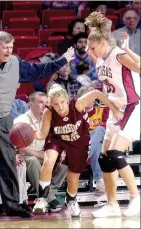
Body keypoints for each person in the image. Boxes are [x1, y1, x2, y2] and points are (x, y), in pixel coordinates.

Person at [0, 15, 74, 220]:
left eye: (11, 47)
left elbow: (39, 71)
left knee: (8, 162)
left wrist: (63, 60)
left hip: (3, 118)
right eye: (5, 47)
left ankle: (12, 204)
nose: (10, 51)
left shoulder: (16, 64)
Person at [32, 83, 123, 217]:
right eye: (55, 104)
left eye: (62, 102)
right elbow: (42, 135)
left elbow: (97, 94)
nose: (60, 107)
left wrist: (114, 109)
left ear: (67, 99)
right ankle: (42, 199)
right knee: (48, 162)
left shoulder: (78, 104)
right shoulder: (49, 112)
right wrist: (28, 133)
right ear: (51, 104)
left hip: (79, 140)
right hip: (57, 139)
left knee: (72, 176)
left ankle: (72, 201)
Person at [85, 12, 140, 217]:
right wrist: (112, 108)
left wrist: (127, 49)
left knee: (116, 154)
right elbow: (105, 92)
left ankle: (136, 198)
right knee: (104, 158)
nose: (90, 51)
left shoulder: (118, 54)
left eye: (92, 47)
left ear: (101, 42)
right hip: (115, 110)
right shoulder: (100, 60)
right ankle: (112, 204)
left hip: (132, 107)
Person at [14, 91, 68, 212]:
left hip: (42, 155)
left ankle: (48, 195)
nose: (44, 105)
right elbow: (21, 148)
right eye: (40, 102)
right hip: (23, 156)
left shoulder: (49, 119)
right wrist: (43, 156)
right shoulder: (21, 121)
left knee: (65, 160)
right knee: (33, 161)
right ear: (30, 104)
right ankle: (49, 198)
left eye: (46, 103)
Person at [77, 85, 109, 195]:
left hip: (101, 140)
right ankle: (99, 181)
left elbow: (108, 130)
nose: (89, 101)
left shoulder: (103, 111)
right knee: (97, 148)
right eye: (86, 98)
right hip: (84, 142)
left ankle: (86, 155)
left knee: (100, 130)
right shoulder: (76, 114)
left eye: (91, 98)